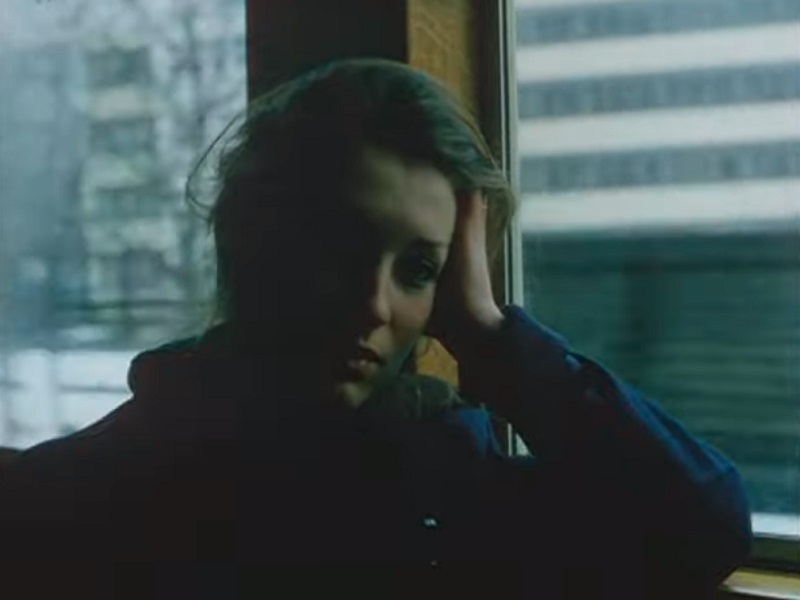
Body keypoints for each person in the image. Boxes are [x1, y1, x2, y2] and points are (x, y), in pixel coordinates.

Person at [0, 59, 751, 596]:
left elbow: (703, 526)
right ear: (256, 245)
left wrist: (488, 334)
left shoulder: (450, 487)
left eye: (418, 269)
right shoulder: (98, 490)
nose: (374, 305)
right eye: (339, 250)